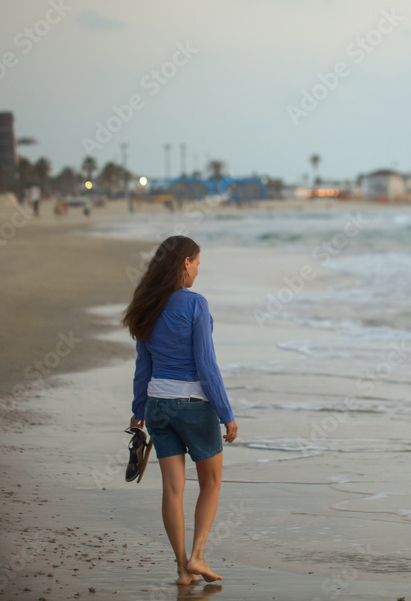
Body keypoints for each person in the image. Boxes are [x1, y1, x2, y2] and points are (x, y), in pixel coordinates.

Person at [122, 235, 238, 585]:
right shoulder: (195, 305)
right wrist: (226, 413)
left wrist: (138, 408)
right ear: (185, 263)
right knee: (212, 482)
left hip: (157, 405)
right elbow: (206, 365)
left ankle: (181, 567)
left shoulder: (147, 304)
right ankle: (198, 556)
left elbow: (144, 365)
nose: (198, 271)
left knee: (172, 490)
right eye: (197, 264)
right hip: (193, 406)